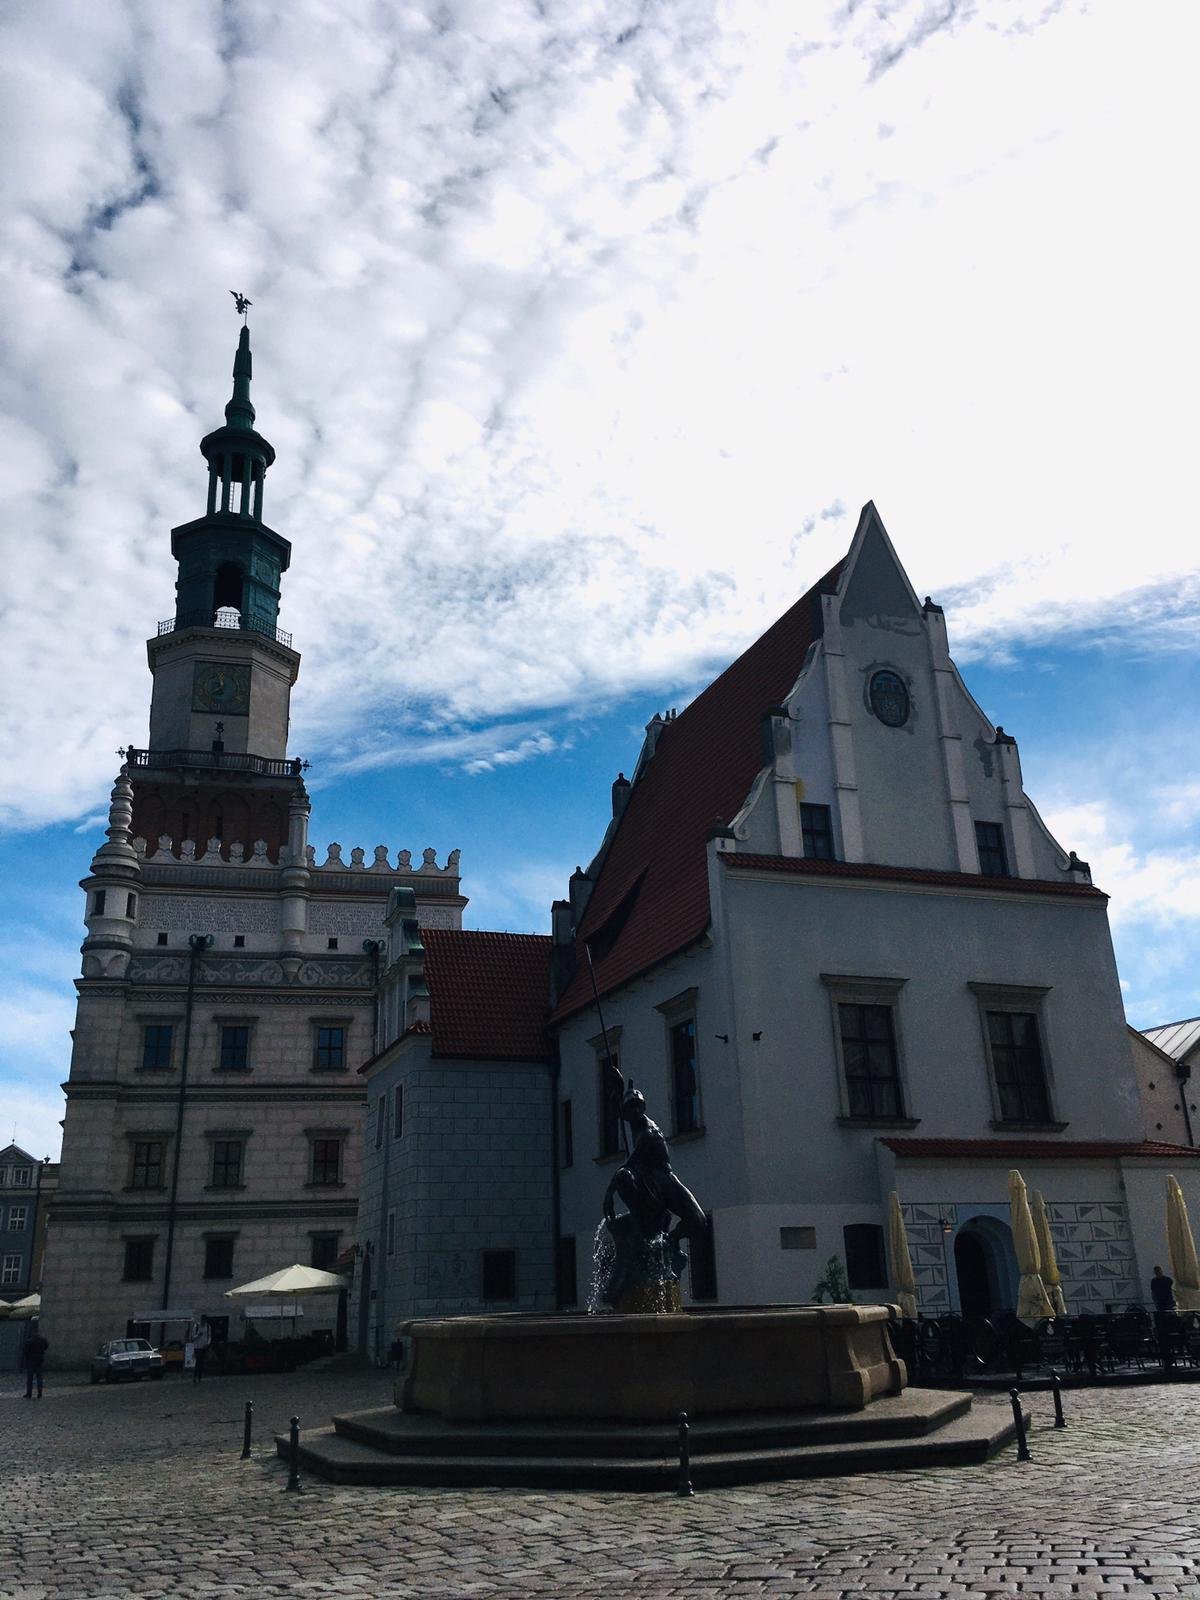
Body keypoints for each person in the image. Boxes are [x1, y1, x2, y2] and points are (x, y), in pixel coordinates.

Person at [23, 1322, 49, 1399]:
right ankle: (39, 1393)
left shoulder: (29, 1341)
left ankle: (29, 1393)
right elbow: (46, 1346)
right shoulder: (43, 1340)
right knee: (39, 1377)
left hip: (31, 1361)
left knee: (30, 1378)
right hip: (39, 1360)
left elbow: (25, 1351)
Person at [192, 1318, 211, 1383]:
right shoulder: (196, 1326)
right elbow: (193, 1337)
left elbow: (209, 1336)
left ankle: (199, 1377)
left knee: (202, 1362)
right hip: (197, 1347)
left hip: (204, 1347)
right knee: (198, 1362)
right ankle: (195, 1376)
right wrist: (198, 1335)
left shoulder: (208, 1327)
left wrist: (208, 1343)